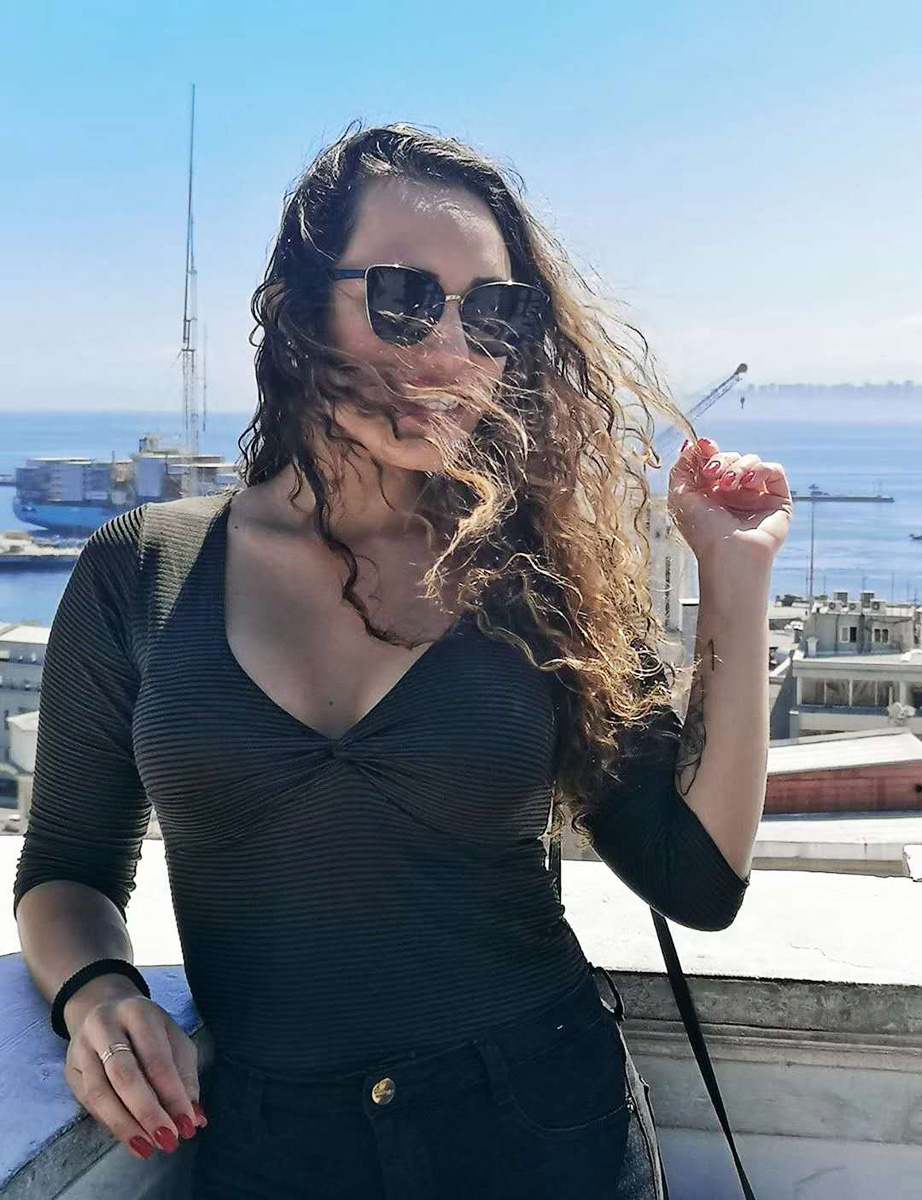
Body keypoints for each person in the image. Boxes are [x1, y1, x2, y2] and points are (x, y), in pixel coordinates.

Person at [13, 123, 766, 1198]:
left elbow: (693, 878)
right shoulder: (143, 567)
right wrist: (98, 996)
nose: (451, 349)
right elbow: (68, 867)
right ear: (303, 304)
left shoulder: (538, 576)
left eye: (493, 313)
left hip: (546, 1135)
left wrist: (732, 577)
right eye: (405, 297)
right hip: (269, 1153)